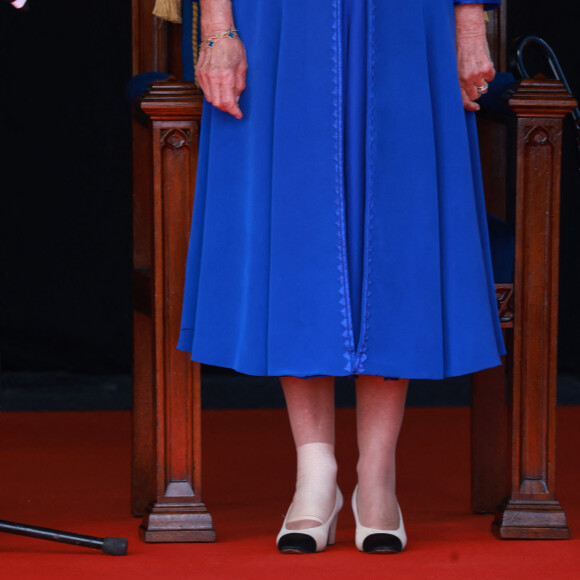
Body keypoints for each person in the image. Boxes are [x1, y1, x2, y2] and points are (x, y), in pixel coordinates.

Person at [178, 0, 504, 554]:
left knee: (397, 230)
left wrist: (470, 22)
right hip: (280, 19)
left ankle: (378, 478)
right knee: (298, 229)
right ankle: (316, 475)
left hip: (407, 19)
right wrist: (216, 27)